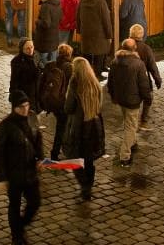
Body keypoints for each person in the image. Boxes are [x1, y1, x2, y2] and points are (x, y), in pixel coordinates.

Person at [0, 90, 44, 245]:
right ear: (14, 108)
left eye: (27, 105)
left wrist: (41, 158)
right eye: (21, 107)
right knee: (14, 207)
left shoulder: (32, 118)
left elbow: (38, 139)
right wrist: (2, 178)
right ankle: (17, 240)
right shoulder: (6, 126)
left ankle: (20, 227)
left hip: (30, 171)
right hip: (14, 174)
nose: (25, 109)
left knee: (35, 202)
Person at [64, 52, 105, 201]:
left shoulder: (75, 83)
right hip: (94, 125)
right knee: (89, 160)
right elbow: (99, 106)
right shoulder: (95, 83)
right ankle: (88, 186)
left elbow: (68, 108)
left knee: (75, 158)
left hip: (79, 127)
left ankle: (84, 186)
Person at [107, 39, 148, 165]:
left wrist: (113, 96)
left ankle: (133, 142)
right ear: (134, 48)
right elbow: (143, 84)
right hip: (133, 100)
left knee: (128, 121)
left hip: (121, 99)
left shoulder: (115, 62)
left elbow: (110, 82)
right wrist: (147, 98)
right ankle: (125, 155)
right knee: (130, 126)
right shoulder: (138, 64)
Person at [39, 44, 76, 159]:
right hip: (63, 102)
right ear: (69, 54)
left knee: (61, 127)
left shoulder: (51, 65)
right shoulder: (69, 67)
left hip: (53, 102)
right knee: (64, 128)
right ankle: (57, 152)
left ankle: (57, 151)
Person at [75, 0, 115, 75]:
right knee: (99, 58)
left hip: (86, 34)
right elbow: (106, 20)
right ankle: (96, 78)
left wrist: (79, 30)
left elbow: (78, 16)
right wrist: (109, 35)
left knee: (86, 58)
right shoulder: (101, 2)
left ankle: (86, 76)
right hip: (99, 36)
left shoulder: (83, 0)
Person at [33, 0, 64, 66]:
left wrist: (37, 21)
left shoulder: (45, 5)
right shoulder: (58, 3)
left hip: (44, 39)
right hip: (54, 37)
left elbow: (46, 23)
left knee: (43, 62)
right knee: (53, 62)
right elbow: (61, 19)